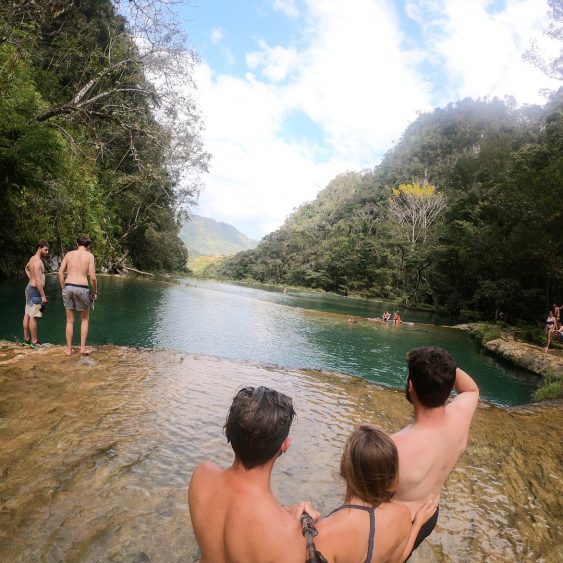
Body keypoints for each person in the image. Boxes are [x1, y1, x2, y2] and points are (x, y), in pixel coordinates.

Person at [188, 386, 318, 563]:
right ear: (285, 446)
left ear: (229, 433)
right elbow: (253, 518)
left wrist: (287, 512)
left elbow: (239, 510)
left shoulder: (201, 477)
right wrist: (304, 524)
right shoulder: (288, 536)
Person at [390, 347, 479, 558]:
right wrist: (443, 369)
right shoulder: (461, 415)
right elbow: (470, 389)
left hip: (401, 526)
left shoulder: (393, 446)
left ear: (411, 385)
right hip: (429, 515)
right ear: (448, 386)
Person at [314, 424, 438, 563]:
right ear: (390, 473)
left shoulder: (325, 532)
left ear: (345, 468)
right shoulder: (402, 515)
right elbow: (399, 558)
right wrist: (418, 523)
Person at [57, 235, 97, 356]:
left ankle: (68, 350)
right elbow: (93, 278)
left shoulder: (69, 254)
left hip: (68, 286)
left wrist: (64, 288)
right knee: (84, 319)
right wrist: (95, 292)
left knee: (69, 320)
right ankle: (82, 349)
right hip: (82, 288)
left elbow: (60, 273)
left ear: (77, 243)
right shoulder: (89, 256)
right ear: (88, 246)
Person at [22, 240, 50, 348]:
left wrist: (31, 278)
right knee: (34, 316)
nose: (47, 252)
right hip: (35, 290)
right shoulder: (38, 262)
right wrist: (43, 296)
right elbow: (38, 281)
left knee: (27, 314)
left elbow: (26, 268)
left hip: (29, 288)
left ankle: (26, 339)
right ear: (39, 248)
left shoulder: (32, 258)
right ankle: (34, 342)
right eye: (45, 249)